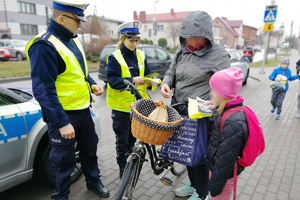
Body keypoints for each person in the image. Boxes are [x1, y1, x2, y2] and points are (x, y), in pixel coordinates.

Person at [26, 1, 109, 199]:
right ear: (62, 19)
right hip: (63, 116)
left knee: (89, 151)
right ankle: (60, 196)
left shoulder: (72, 40)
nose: (80, 25)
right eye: (76, 21)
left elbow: (78, 72)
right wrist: (62, 123)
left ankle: (93, 182)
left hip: (83, 110)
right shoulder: (44, 45)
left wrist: (91, 83)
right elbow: (43, 90)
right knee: (63, 161)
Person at [160, 11, 230, 200]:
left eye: (195, 37)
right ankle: (193, 185)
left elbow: (228, 85)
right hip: (180, 110)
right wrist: (166, 83)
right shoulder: (182, 49)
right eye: (187, 36)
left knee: (199, 155)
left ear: (206, 35)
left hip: (201, 115)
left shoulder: (218, 55)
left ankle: (202, 193)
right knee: (185, 151)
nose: (190, 41)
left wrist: (217, 102)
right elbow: (171, 71)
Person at [106, 21, 151, 178]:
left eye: (136, 40)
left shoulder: (141, 55)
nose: (134, 43)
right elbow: (111, 80)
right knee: (122, 142)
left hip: (138, 107)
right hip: (121, 109)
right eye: (131, 40)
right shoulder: (115, 57)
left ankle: (130, 167)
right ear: (123, 39)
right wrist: (132, 80)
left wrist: (151, 82)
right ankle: (123, 171)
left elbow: (148, 75)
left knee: (133, 140)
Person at [207, 68, 248, 200]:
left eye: (213, 89)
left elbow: (225, 160)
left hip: (224, 176)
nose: (210, 92)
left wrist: (214, 186)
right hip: (222, 172)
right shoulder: (230, 109)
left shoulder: (233, 122)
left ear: (222, 93)